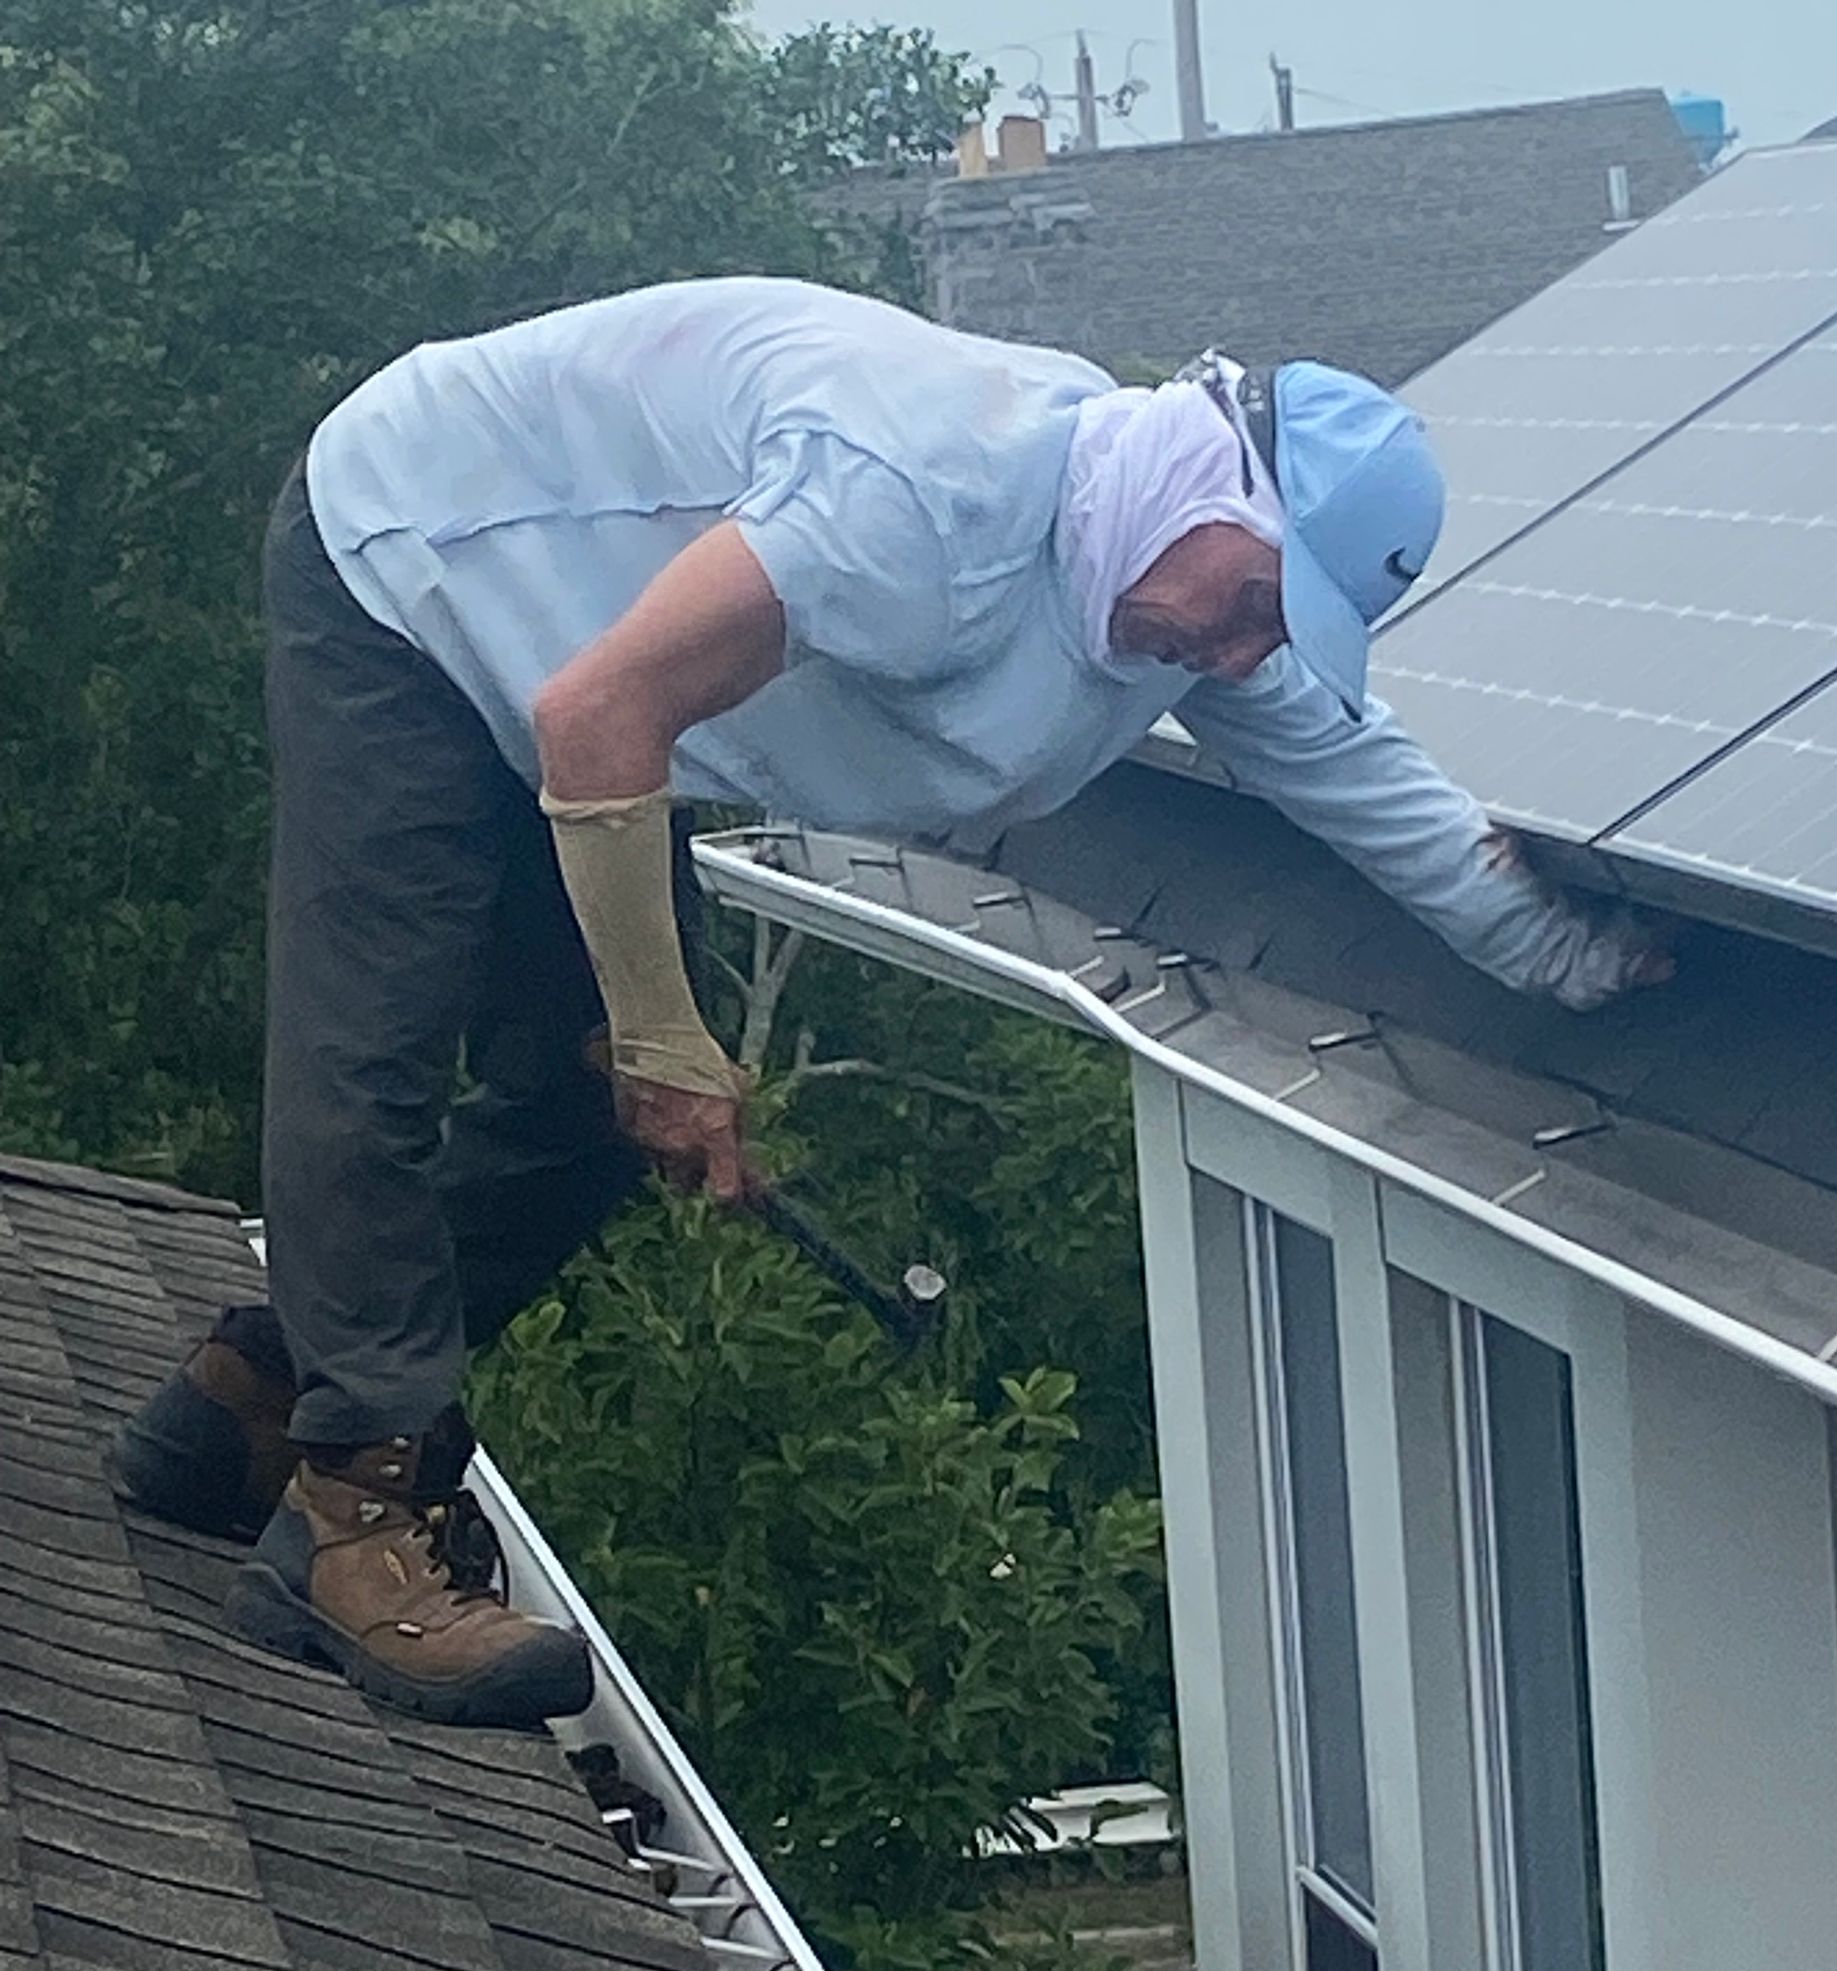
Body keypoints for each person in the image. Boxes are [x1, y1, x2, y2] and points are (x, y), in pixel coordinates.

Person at [117, 276, 1666, 1732]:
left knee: (579, 1118)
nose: (1246, 650)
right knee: (370, 1052)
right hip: (416, 561)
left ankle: (244, 1404)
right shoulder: (924, 490)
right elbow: (599, 714)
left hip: (585, 693)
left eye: (1281, 630)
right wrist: (665, 1044)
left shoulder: (1177, 599)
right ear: (1212, 491)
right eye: (1255, 601)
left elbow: (1372, 783)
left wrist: (1587, 965)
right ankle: (359, 1520)